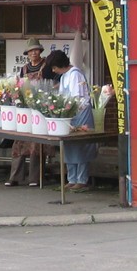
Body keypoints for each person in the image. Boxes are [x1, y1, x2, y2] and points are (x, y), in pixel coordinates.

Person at [46, 49, 97, 191]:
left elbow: (77, 97)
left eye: (54, 67)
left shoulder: (75, 74)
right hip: (69, 114)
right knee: (69, 146)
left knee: (81, 146)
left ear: (60, 65)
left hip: (81, 113)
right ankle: (72, 178)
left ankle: (82, 179)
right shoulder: (64, 76)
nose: (54, 70)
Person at [6, 38, 54, 187]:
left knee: (36, 143)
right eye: (31, 51)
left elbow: (53, 85)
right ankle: (15, 177)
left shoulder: (47, 66)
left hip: (41, 109)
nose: (33, 53)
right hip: (26, 109)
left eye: (36, 50)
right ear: (27, 53)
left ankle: (35, 178)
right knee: (20, 141)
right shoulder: (24, 69)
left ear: (40, 51)